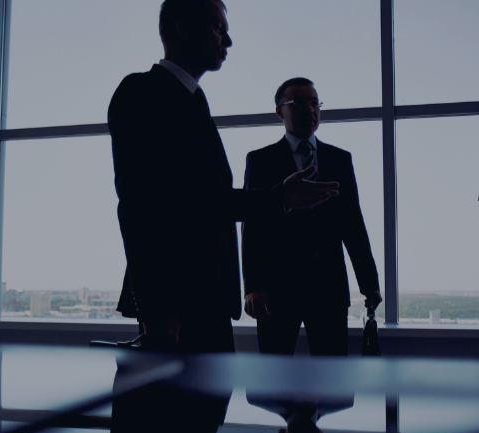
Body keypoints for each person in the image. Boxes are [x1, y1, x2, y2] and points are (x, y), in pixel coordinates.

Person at [109, 0, 341, 354]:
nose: (228, 41)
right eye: (219, 29)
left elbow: (205, 199)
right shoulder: (142, 92)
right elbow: (137, 206)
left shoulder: (192, 101)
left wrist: (281, 197)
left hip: (203, 301)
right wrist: (156, 307)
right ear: (184, 28)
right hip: (176, 308)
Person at [241, 78, 381, 356]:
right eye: (300, 103)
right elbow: (252, 225)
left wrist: (369, 283)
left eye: (315, 102)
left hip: (329, 288)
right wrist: (253, 286)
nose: (310, 109)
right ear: (280, 111)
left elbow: (353, 223)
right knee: (273, 381)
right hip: (275, 291)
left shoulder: (340, 159)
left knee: (333, 382)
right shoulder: (260, 160)